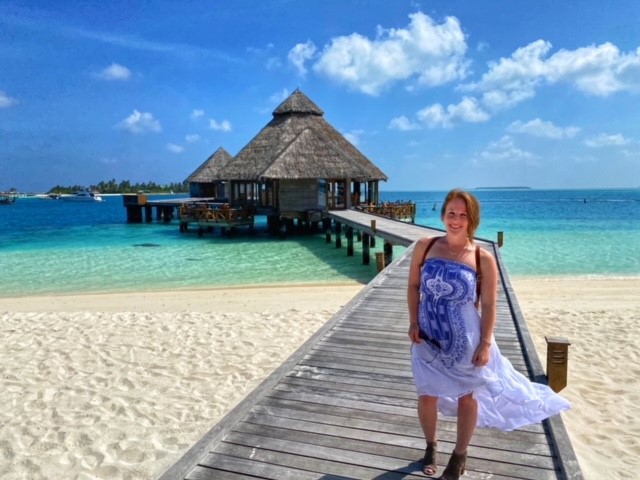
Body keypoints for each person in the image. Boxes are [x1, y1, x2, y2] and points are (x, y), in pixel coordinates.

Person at [407, 189, 570, 479]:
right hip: (427, 335)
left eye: (463, 215)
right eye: (451, 213)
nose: (456, 220)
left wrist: (485, 343)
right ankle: (431, 446)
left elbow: (491, 303)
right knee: (426, 394)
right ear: (443, 214)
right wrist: (412, 322)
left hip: (465, 340)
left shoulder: (483, 258)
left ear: (473, 220)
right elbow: (413, 287)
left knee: (467, 397)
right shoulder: (425, 245)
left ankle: (459, 455)